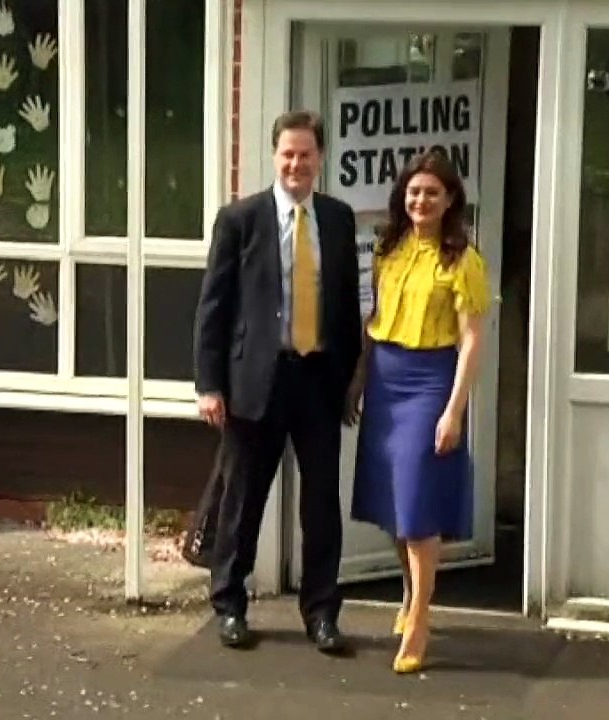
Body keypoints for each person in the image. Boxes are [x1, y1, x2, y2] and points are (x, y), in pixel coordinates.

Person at [193, 110, 361, 654]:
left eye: (306, 155)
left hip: (317, 380)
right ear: (275, 157)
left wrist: (350, 383)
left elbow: (343, 308)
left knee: (321, 506)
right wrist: (209, 385)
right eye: (287, 154)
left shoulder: (337, 219)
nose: (296, 164)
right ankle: (229, 605)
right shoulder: (240, 219)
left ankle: (321, 613)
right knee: (243, 501)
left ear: (319, 159)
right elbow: (213, 309)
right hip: (254, 383)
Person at [347, 150, 491, 674]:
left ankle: (423, 619)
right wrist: (359, 381)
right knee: (390, 501)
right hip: (386, 376)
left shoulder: (464, 261)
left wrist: (455, 410)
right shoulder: (390, 248)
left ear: (450, 198)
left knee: (417, 503)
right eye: (413, 191)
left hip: (431, 381)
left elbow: (473, 341)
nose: (421, 201)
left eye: (432, 192)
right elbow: (375, 319)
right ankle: (408, 597)